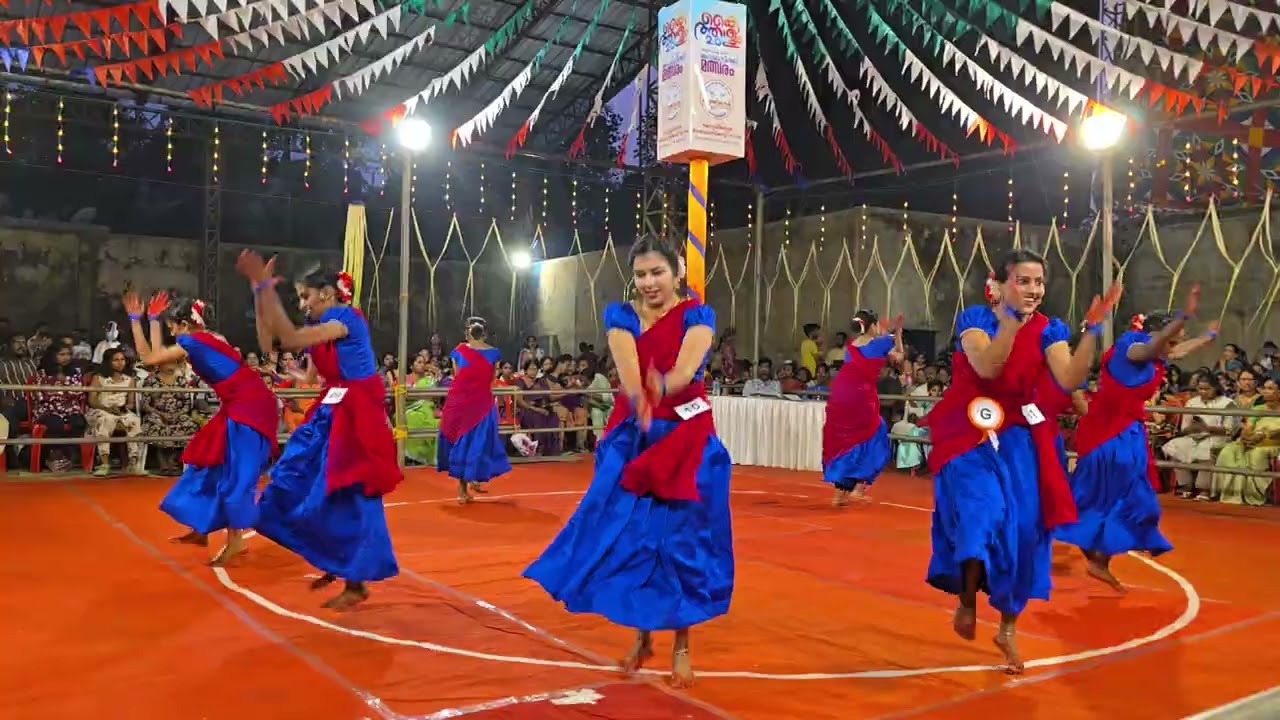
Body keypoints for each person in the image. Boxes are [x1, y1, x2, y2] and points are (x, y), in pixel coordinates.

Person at [524, 236, 733, 688]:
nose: (648, 282)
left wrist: (664, 385)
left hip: (685, 435)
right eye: (640, 274)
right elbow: (629, 374)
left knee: (681, 543)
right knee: (630, 539)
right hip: (635, 434)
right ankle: (642, 635)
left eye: (657, 272)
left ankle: (682, 646)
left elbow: (684, 369)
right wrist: (642, 396)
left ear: (677, 272)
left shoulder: (698, 314)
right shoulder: (621, 316)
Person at [923, 248, 1120, 674]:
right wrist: (1010, 318)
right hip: (970, 430)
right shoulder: (975, 319)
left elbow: (1068, 380)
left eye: (1038, 283)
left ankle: (1007, 628)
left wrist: (1092, 331)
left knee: (1028, 530)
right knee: (984, 513)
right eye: (1023, 281)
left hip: (1022, 437)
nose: (1033, 290)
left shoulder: (1051, 329)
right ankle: (966, 598)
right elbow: (989, 367)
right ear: (1001, 283)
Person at [237, 253, 402, 610]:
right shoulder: (321, 330)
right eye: (297, 297)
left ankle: (355, 579)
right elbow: (277, 351)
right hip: (330, 410)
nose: (301, 303)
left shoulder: (344, 317)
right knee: (295, 482)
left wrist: (267, 290)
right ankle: (335, 559)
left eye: (305, 296)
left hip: (355, 415)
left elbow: (291, 336)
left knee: (350, 493)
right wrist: (259, 296)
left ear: (327, 293)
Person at [1057, 292, 1218, 589]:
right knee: (1113, 497)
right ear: (1155, 333)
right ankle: (1092, 554)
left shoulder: (1160, 353)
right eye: (1171, 338)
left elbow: (1176, 350)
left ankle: (1097, 558)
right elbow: (1154, 346)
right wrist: (1182, 317)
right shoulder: (1130, 346)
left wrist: (1207, 338)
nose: (1172, 346)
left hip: (1128, 432)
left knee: (1116, 497)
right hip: (1108, 433)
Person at [125, 291, 278, 565]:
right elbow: (158, 355)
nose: (171, 330)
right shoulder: (213, 337)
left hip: (249, 407)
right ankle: (201, 527)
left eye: (172, 324)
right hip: (240, 403)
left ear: (184, 323)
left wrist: (141, 320)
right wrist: (154, 320)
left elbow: (149, 358)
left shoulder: (191, 341)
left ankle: (237, 542)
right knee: (207, 460)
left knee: (235, 473)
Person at [822, 309, 902, 506]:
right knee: (875, 434)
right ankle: (857, 488)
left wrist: (887, 331)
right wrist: (898, 332)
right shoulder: (880, 343)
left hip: (840, 395)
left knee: (847, 441)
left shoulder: (851, 346)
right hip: (860, 396)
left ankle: (840, 494)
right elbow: (898, 358)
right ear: (872, 325)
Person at [437, 316, 511, 503]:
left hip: (464, 402)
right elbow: (492, 378)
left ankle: (464, 487)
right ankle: (469, 482)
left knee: (465, 442)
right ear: (484, 332)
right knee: (477, 442)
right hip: (478, 403)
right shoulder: (493, 353)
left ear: (468, 332)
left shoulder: (460, 351)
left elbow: (457, 375)